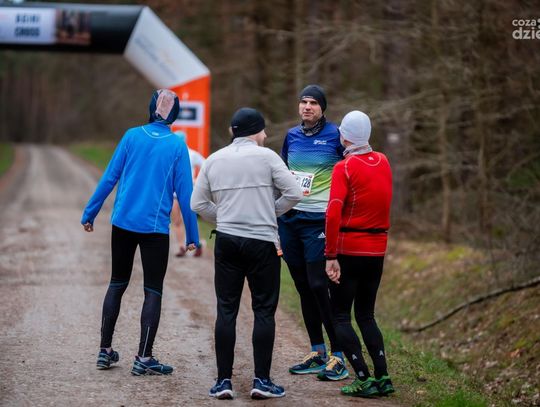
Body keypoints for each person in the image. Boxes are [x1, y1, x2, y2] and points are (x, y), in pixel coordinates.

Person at [81, 89, 200, 376]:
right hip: (154, 228)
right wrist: (192, 235)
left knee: (117, 283)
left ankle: (104, 351)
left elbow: (110, 177)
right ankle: (144, 358)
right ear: (174, 114)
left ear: (150, 108)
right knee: (152, 290)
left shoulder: (131, 136)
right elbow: (185, 193)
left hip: (123, 223)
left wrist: (90, 212)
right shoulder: (177, 145)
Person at [191, 107, 302, 400]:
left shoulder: (214, 159)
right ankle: (261, 381)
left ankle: (223, 382)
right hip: (262, 242)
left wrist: (226, 217)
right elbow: (294, 193)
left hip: (227, 240)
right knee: (263, 310)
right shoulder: (268, 157)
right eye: (263, 130)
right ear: (255, 130)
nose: (265, 135)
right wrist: (268, 212)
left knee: (226, 309)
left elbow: (197, 203)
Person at [278, 84, 348, 381]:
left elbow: (349, 172)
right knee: (303, 286)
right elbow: (283, 172)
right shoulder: (292, 136)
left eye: (313, 103)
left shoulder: (335, 136)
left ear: (322, 108)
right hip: (291, 219)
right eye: (303, 101)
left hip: (319, 221)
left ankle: (339, 354)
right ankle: (317, 351)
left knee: (319, 284)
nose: (307, 106)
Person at [324, 110, 394, 397]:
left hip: (349, 248)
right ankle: (383, 376)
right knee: (366, 315)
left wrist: (330, 255)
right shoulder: (383, 161)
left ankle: (363, 378)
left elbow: (333, 212)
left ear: (345, 137)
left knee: (340, 316)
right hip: (377, 250)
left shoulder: (344, 167)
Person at [171, 130, 205, 257]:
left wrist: (196, 180)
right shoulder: (170, 154)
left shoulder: (192, 154)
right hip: (174, 193)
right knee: (176, 220)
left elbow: (206, 166)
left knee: (189, 219)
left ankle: (197, 243)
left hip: (188, 192)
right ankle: (182, 247)